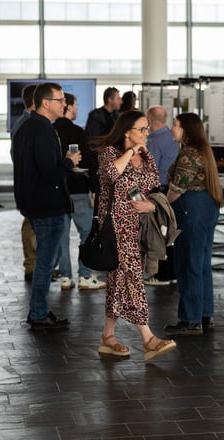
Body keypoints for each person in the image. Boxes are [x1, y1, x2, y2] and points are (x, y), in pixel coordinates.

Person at [93, 110, 177, 360]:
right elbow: (110, 175)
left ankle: (108, 336)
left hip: (136, 227)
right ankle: (148, 338)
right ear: (127, 131)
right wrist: (130, 151)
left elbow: (150, 187)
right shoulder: (110, 152)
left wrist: (151, 205)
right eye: (141, 129)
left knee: (119, 282)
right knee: (132, 279)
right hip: (114, 227)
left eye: (146, 129)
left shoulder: (146, 155)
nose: (145, 134)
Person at [13, 82, 82, 329]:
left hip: (36, 203)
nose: (65, 104)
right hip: (47, 205)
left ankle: (39, 311)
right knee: (46, 262)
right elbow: (50, 173)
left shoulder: (27, 126)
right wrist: (69, 162)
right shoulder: (40, 130)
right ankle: (39, 313)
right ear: (46, 103)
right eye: (60, 100)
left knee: (46, 261)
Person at [164, 113, 222, 335]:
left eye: (176, 125)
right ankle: (204, 314)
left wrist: (162, 206)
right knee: (201, 264)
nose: (172, 128)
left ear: (186, 129)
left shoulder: (188, 154)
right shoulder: (202, 151)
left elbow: (177, 188)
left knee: (187, 264)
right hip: (205, 208)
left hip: (191, 210)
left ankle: (190, 319)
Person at [53, 92, 106, 291]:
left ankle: (65, 277)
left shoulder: (51, 131)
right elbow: (89, 163)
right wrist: (95, 189)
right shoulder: (77, 132)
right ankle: (85, 275)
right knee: (86, 233)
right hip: (78, 190)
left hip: (58, 191)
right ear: (68, 106)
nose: (76, 109)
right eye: (75, 105)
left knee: (62, 236)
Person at [144, 105, 180, 286]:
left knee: (160, 232)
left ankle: (163, 274)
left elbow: (150, 169)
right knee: (170, 231)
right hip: (172, 190)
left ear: (149, 120)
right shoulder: (173, 138)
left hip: (160, 191)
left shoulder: (154, 142)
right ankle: (172, 272)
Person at [10, 83, 38, 282]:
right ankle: (32, 266)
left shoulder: (23, 122)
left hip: (27, 184)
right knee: (31, 225)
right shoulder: (27, 124)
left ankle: (35, 265)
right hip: (30, 185)